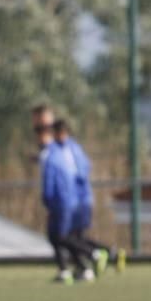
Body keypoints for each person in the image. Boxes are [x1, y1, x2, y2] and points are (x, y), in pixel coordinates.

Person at [52, 119, 124, 274]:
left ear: (60, 133)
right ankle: (110, 255)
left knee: (66, 237)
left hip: (75, 201)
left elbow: (70, 174)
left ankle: (94, 258)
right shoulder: (74, 148)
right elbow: (85, 167)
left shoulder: (64, 150)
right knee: (77, 237)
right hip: (83, 199)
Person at [31, 107, 95, 283]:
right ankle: (80, 267)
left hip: (66, 201)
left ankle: (89, 259)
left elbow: (54, 179)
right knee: (67, 236)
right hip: (72, 200)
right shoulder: (57, 151)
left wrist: (48, 198)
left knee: (59, 236)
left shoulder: (54, 152)